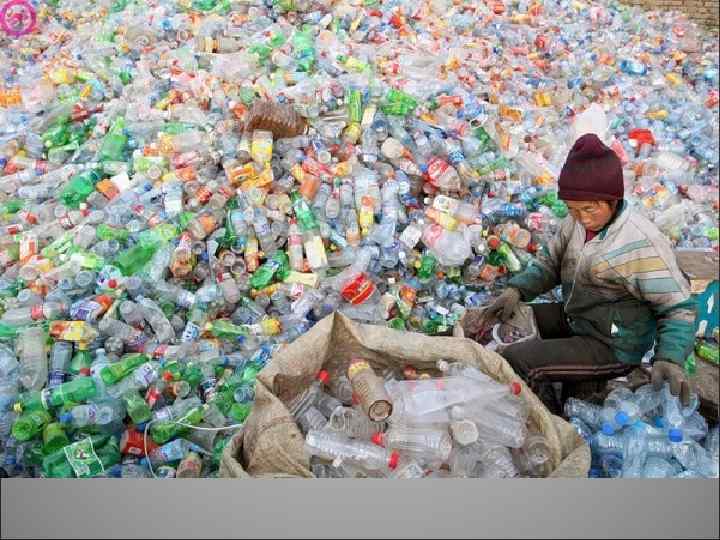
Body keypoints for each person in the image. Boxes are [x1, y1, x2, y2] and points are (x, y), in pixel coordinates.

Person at [475, 133, 697, 414]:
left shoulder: (641, 241)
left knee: (517, 360)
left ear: (612, 201)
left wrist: (670, 358)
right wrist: (516, 290)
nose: (582, 218)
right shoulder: (576, 223)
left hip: (613, 341)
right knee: (503, 322)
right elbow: (549, 264)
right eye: (573, 209)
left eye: (589, 209)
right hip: (578, 316)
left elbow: (677, 307)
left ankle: (550, 426)